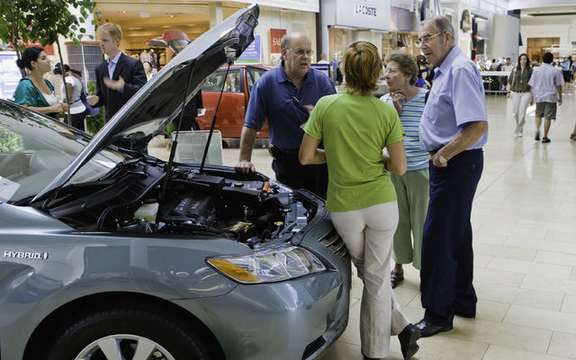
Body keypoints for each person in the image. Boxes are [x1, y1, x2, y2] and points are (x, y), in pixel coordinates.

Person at [299, 41, 420, 360]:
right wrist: (377, 157)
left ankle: (397, 335)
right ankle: (382, 347)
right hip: (381, 203)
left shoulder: (326, 105)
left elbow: (306, 156)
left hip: (345, 207)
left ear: (344, 70)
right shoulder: (385, 109)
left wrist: (337, 156)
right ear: (377, 71)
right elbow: (399, 166)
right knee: (376, 277)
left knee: (372, 275)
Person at [415, 16, 488, 337]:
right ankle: (462, 299)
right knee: (457, 233)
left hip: (456, 164)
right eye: (419, 40)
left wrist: (444, 154)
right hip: (453, 163)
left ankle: (437, 314)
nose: (422, 46)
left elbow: (476, 126)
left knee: (437, 239)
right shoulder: (445, 70)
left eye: (427, 39)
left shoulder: (459, 70)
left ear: (446, 37)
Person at [235, 34, 335, 198]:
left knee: (322, 208)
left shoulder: (322, 82)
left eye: (309, 52)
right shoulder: (266, 84)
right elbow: (251, 125)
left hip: (319, 160)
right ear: (284, 53)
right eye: (300, 52)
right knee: (290, 209)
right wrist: (244, 159)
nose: (306, 57)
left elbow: (336, 122)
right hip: (286, 163)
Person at [380, 53, 429, 289]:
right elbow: (378, 138)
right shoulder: (384, 103)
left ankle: (425, 269)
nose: (386, 75)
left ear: (408, 74)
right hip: (393, 170)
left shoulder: (428, 99)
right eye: (385, 70)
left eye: (392, 71)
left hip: (421, 169)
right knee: (397, 221)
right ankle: (398, 266)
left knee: (422, 222)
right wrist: (394, 115)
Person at [88, 23, 147, 121]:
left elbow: (143, 92)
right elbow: (102, 97)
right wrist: (96, 101)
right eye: (100, 40)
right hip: (110, 123)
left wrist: (123, 86)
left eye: (105, 40)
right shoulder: (100, 68)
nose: (101, 43)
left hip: (131, 121)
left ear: (117, 41)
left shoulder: (133, 64)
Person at [13, 47, 69, 119]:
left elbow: (50, 108)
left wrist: (60, 107)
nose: (49, 60)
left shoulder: (47, 82)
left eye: (47, 57)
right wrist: (52, 109)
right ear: (33, 63)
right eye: (43, 58)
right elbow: (22, 110)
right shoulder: (25, 85)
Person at [528, 52, 564, 143]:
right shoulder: (556, 70)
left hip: (539, 96)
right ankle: (545, 136)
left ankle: (537, 130)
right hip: (551, 97)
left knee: (538, 114)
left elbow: (532, 84)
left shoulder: (536, 70)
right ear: (552, 60)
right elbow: (559, 85)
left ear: (542, 59)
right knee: (548, 117)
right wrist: (560, 97)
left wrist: (532, 97)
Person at [54, 63, 87, 131]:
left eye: (58, 74)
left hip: (73, 112)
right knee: (80, 133)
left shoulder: (68, 79)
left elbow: (68, 93)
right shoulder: (74, 77)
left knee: (70, 135)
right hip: (79, 109)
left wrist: (62, 103)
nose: (58, 76)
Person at [508, 53, 533, 137]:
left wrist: (532, 97)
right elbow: (510, 81)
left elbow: (532, 84)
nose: (523, 61)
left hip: (526, 93)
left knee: (522, 112)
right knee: (515, 112)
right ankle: (520, 125)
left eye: (525, 59)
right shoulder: (515, 69)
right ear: (519, 60)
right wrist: (508, 92)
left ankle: (519, 129)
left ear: (527, 60)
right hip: (515, 92)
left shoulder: (530, 70)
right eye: (521, 59)